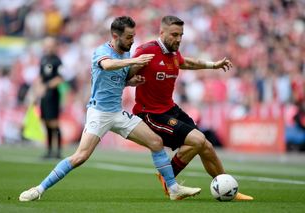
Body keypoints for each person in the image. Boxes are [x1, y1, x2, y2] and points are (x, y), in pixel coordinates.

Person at [19, 16, 201, 202]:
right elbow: (107, 65)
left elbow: (119, 80)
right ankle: (39, 189)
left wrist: (131, 81)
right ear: (116, 36)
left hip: (117, 112)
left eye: (134, 36)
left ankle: (173, 189)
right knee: (80, 157)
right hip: (99, 113)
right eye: (129, 37)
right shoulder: (102, 51)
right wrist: (134, 62)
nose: (132, 41)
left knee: (156, 142)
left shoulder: (125, 54)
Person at [132, 15, 253, 200]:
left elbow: (186, 63)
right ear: (161, 32)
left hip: (170, 109)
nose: (178, 39)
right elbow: (124, 73)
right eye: (174, 34)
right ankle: (168, 178)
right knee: (197, 140)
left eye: (181, 35)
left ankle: (229, 188)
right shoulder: (145, 51)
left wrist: (214, 65)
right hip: (150, 113)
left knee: (206, 145)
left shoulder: (173, 54)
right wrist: (130, 80)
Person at [37, 37, 64, 159]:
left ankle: (57, 151)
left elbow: (60, 78)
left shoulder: (57, 61)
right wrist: (38, 89)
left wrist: (46, 86)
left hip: (53, 95)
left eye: (50, 45)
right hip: (44, 96)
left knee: (54, 123)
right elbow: (40, 77)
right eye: (46, 45)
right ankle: (48, 150)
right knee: (46, 122)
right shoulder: (43, 59)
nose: (48, 47)